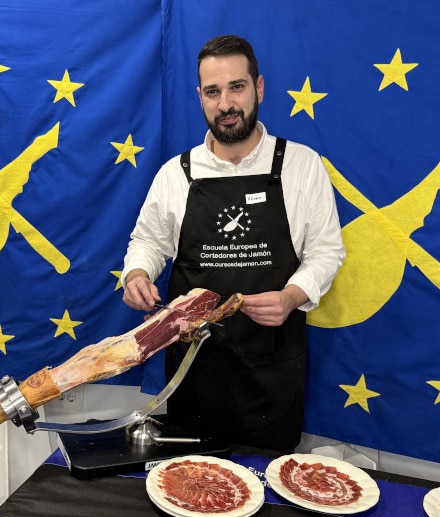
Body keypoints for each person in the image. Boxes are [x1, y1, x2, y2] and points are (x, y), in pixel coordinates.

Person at [121, 34, 345, 454]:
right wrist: (137, 273)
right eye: (213, 92)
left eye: (236, 87)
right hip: (192, 365)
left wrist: (292, 296)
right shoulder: (177, 173)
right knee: (190, 480)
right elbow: (148, 241)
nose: (226, 104)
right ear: (200, 97)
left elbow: (326, 251)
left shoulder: (301, 165)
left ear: (258, 88)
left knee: (267, 488)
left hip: (271, 368)